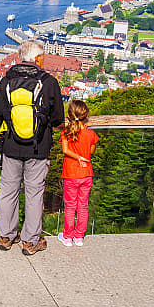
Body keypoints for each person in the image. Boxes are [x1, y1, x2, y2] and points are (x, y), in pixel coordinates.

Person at [0, 39, 64, 256]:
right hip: (38, 148)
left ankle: (6, 236)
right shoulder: (48, 83)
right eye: (43, 57)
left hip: (11, 146)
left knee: (9, 191)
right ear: (37, 59)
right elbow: (58, 117)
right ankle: (30, 241)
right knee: (34, 194)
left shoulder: (7, 82)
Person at [58, 100, 98, 247]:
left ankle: (67, 237)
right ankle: (79, 236)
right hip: (86, 173)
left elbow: (65, 150)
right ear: (85, 115)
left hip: (71, 173)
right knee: (83, 206)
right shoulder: (90, 133)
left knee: (70, 206)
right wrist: (83, 156)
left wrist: (76, 157)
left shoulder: (66, 132)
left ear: (69, 115)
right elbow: (91, 150)